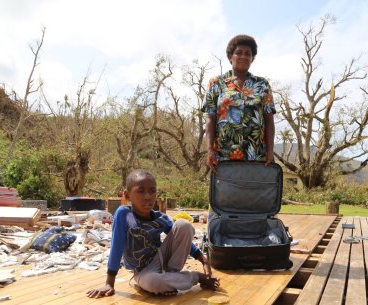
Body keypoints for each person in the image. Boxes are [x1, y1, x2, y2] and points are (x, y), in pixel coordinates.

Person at [86, 169, 220, 298]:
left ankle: (171, 278)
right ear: (127, 196)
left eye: (152, 191)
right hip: (143, 271)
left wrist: (203, 260)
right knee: (154, 283)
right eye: (141, 191)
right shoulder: (125, 214)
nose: (147, 197)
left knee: (183, 225)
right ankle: (196, 277)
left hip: (163, 260)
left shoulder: (160, 218)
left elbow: (181, 238)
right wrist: (109, 283)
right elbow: (117, 246)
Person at [202, 34, 276, 173]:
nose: (243, 56)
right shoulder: (216, 83)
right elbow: (210, 118)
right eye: (239, 53)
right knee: (226, 194)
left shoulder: (262, 85)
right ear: (230, 57)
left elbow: (269, 120)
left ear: (252, 59)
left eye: (248, 54)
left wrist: (270, 151)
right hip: (224, 156)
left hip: (256, 156)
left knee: (255, 194)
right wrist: (210, 150)